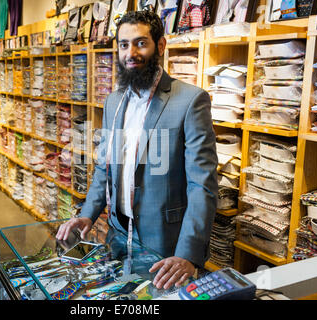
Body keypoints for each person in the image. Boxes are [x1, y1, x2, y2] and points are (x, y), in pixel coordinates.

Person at [56, 10, 218, 290]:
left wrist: (187, 254)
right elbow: (104, 168)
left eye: (141, 43)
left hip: (166, 248)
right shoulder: (113, 102)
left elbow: (202, 186)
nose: (131, 53)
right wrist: (88, 214)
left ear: (161, 46)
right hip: (118, 238)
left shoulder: (191, 101)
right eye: (123, 44)